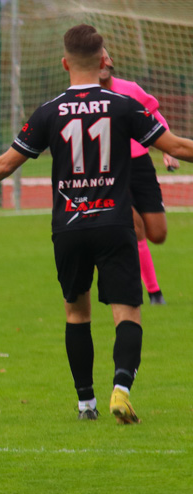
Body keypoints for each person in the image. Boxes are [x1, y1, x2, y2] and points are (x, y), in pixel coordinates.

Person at [0, 24, 193, 423]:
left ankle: (85, 403)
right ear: (104, 60)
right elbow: (175, 147)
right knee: (127, 313)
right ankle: (120, 388)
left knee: (77, 313)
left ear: (64, 63)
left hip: (68, 227)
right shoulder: (123, 106)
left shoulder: (49, 111)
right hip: (114, 224)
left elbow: (4, 165)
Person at [98, 48, 178, 305]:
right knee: (135, 227)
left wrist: (167, 149)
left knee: (158, 233)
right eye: (95, 57)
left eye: (104, 56)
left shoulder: (130, 89)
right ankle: (153, 293)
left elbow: (153, 116)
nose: (101, 61)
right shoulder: (87, 97)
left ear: (111, 61)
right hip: (110, 169)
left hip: (140, 164)